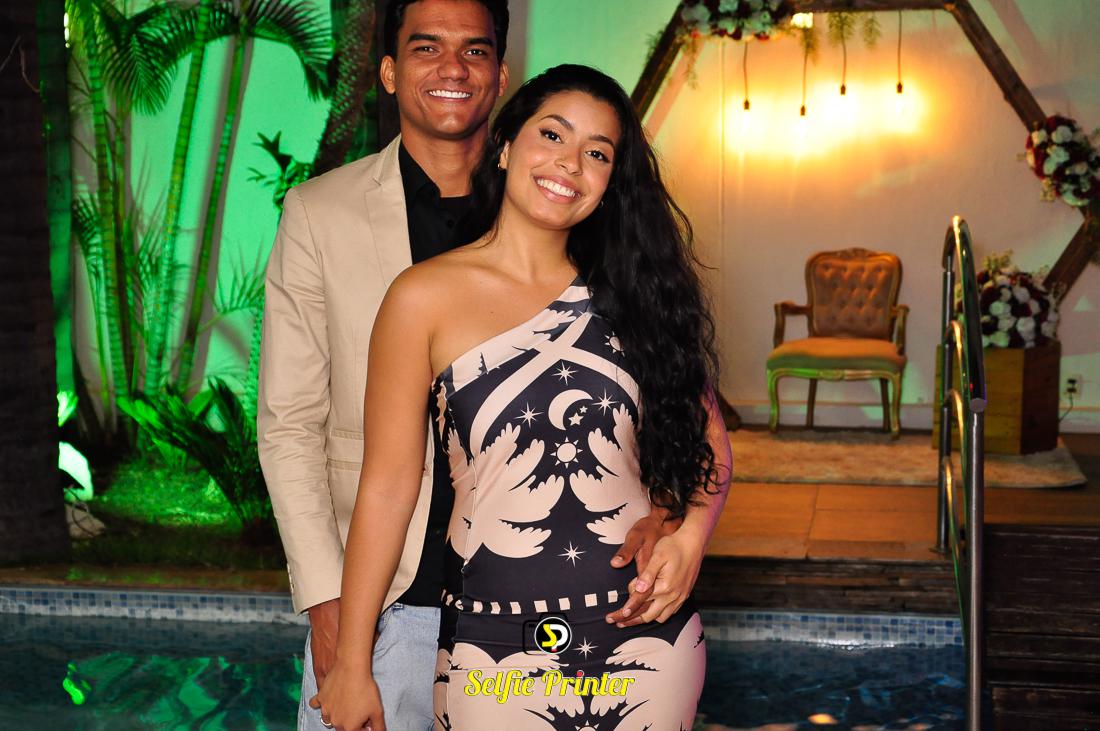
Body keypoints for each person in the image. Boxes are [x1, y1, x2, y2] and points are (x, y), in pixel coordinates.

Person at [258, 3, 682, 729]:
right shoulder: (318, 213)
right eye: (426, 47)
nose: (453, 68)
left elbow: (673, 408)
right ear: (388, 70)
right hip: (385, 602)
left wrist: (673, 519)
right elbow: (289, 424)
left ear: (501, 76)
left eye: (475, 51)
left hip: (548, 608)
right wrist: (330, 604)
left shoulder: (559, 204)